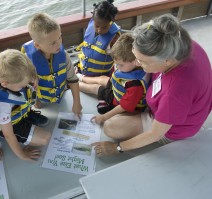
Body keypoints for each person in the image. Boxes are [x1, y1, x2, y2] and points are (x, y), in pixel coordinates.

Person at [92, 14, 212, 156]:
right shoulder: (179, 44)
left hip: (173, 128)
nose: (137, 63)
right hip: (178, 104)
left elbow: (155, 134)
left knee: (110, 127)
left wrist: (116, 148)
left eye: (142, 61)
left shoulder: (174, 92)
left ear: (165, 60)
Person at [0, 49, 51, 162]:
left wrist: (33, 78)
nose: (26, 85)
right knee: (45, 139)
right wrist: (21, 154)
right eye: (23, 85)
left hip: (18, 110)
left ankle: (26, 114)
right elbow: (8, 134)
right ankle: (23, 123)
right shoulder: (1, 104)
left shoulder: (10, 72)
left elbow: (27, 74)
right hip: (9, 125)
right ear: (5, 84)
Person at [22, 13, 82, 118]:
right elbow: (24, 85)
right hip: (41, 101)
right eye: (53, 43)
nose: (59, 43)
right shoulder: (27, 60)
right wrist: (34, 99)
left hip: (61, 95)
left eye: (60, 37)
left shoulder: (64, 56)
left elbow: (72, 80)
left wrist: (77, 103)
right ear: (37, 45)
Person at [81, 33, 149, 123]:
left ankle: (74, 85)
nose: (118, 67)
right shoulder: (127, 65)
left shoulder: (136, 85)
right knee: (101, 79)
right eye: (116, 64)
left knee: (96, 88)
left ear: (136, 61)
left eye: (120, 65)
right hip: (118, 85)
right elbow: (119, 73)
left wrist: (104, 117)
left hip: (117, 100)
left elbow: (124, 106)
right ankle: (80, 77)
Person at [76, 0, 121, 90]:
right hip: (82, 71)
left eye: (104, 27)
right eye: (97, 26)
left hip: (99, 79)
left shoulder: (114, 38)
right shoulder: (92, 22)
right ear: (93, 18)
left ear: (111, 22)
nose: (99, 30)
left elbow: (120, 62)